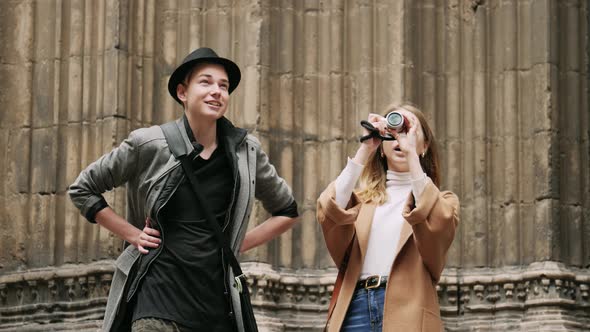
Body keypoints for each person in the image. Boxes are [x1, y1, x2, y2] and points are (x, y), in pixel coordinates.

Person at [68, 47, 299, 332]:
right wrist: (131, 234)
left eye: (223, 86)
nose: (217, 91)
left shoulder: (245, 151)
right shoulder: (149, 143)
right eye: (206, 82)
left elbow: (287, 210)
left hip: (217, 307)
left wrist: (235, 244)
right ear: (182, 92)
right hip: (158, 299)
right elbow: (83, 189)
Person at [317, 104, 459, 331]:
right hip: (355, 309)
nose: (399, 140)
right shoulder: (362, 201)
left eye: (409, 131)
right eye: (392, 133)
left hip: (409, 313)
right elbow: (328, 208)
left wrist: (411, 155)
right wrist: (365, 148)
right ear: (382, 146)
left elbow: (436, 228)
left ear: (424, 146)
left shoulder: (442, 201)